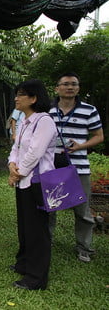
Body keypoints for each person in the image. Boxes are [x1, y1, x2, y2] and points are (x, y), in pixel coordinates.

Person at [48, 72, 104, 263]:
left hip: (78, 166)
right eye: (65, 84)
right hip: (52, 165)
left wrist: (81, 146)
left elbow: (99, 135)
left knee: (82, 210)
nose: (69, 87)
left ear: (78, 88)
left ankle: (84, 247)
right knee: (50, 206)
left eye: (74, 84)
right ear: (57, 88)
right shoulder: (48, 111)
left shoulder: (89, 110)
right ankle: (47, 241)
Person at [7, 79, 57, 290]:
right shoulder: (25, 121)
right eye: (17, 94)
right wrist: (11, 164)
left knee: (37, 230)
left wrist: (19, 173)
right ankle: (24, 263)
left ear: (34, 98)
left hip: (37, 182)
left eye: (22, 94)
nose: (17, 98)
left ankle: (36, 278)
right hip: (23, 182)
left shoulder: (44, 121)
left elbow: (35, 152)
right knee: (25, 226)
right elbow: (17, 148)